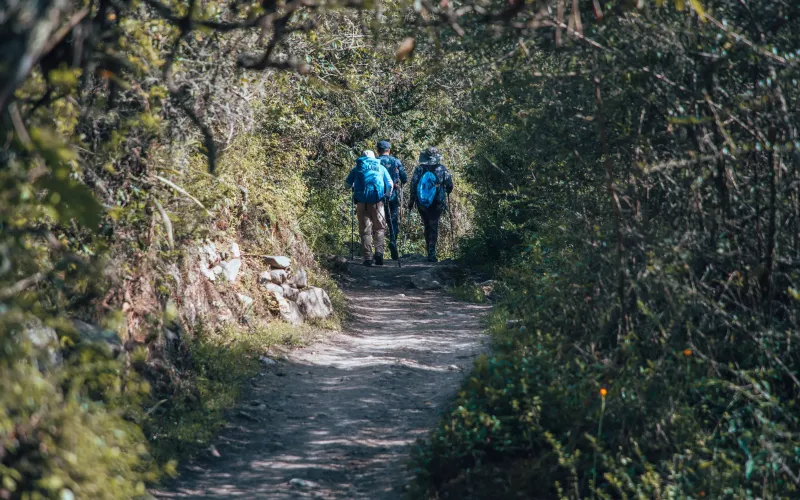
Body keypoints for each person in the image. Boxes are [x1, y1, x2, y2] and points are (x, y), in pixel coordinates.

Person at [345, 150, 393, 266]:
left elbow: (346, 185)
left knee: (365, 231)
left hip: (361, 202)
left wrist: (353, 186)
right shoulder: (380, 168)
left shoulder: (357, 168)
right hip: (378, 202)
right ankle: (379, 253)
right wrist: (387, 195)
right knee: (380, 228)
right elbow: (390, 184)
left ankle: (368, 258)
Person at [408, 146, 453, 262]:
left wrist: (411, 200)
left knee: (427, 224)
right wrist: (445, 190)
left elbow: (413, 185)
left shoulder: (419, 169)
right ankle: (431, 253)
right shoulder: (442, 169)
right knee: (434, 225)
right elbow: (449, 185)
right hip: (437, 201)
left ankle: (429, 249)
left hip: (422, 202)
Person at [376, 140, 407, 261]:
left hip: (378, 196)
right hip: (393, 195)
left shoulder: (376, 162)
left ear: (378, 150)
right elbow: (404, 178)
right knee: (393, 220)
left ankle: (379, 250)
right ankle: (393, 241)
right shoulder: (396, 161)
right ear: (389, 150)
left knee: (378, 222)